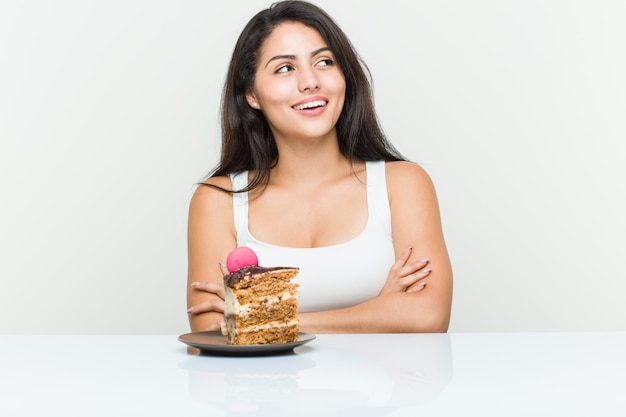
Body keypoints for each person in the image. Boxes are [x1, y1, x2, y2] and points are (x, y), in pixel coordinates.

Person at [186, 0, 452, 333]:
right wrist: (378, 311)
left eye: (324, 62)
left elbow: (428, 316)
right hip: (259, 387)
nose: (310, 82)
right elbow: (211, 332)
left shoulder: (403, 184)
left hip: (386, 385)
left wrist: (262, 321)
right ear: (251, 94)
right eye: (285, 68)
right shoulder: (218, 200)